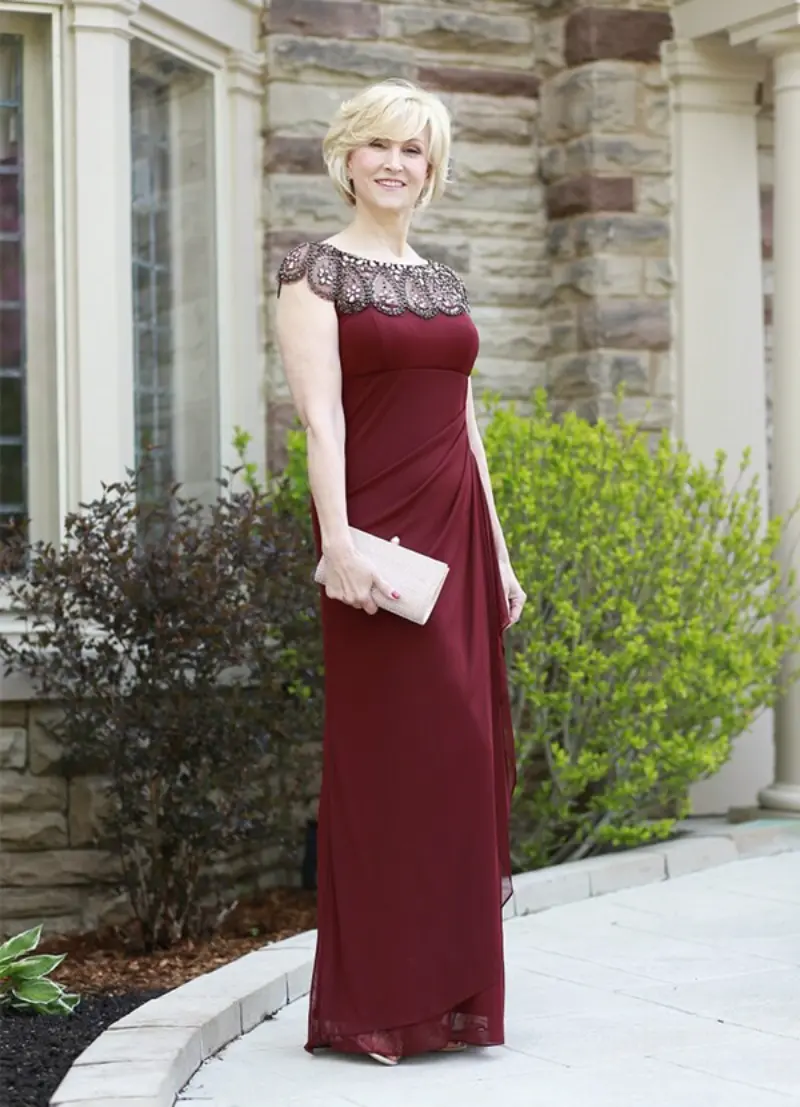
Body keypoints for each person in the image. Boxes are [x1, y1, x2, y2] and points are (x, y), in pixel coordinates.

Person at [275, 78, 526, 1067]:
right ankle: (375, 1005)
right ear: (346, 157)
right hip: (377, 547)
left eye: (412, 149)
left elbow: (467, 424)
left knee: (458, 760)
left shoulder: (444, 284)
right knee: (389, 766)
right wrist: (336, 540)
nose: (394, 162)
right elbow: (320, 418)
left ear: (432, 169)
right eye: (377, 144)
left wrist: (498, 551)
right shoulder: (315, 273)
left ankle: (451, 998)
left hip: (457, 538)